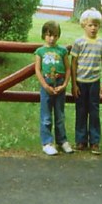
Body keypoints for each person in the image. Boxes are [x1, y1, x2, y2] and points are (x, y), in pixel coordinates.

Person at [70, 8, 102, 154]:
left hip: (94, 82)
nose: (93, 28)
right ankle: (80, 140)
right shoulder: (78, 42)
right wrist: (73, 84)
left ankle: (95, 141)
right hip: (80, 82)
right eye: (90, 25)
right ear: (83, 25)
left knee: (94, 112)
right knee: (80, 111)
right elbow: (73, 63)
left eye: (96, 25)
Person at [34, 20, 73, 156]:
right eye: (49, 35)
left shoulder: (62, 51)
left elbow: (68, 69)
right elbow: (37, 70)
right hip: (46, 85)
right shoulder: (40, 51)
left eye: (55, 36)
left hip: (60, 84)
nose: (52, 38)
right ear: (44, 35)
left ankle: (62, 141)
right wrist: (45, 85)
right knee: (46, 116)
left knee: (60, 115)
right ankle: (47, 142)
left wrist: (65, 84)